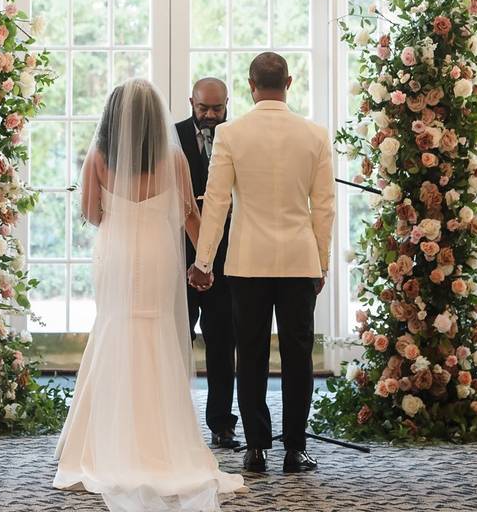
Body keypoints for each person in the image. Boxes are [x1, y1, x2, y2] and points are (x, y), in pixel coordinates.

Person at [53, 79, 245, 511]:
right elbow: (190, 218)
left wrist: (125, 217)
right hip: (161, 258)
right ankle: (162, 437)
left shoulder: (100, 157)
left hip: (118, 256)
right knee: (157, 333)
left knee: (114, 329)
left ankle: (104, 438)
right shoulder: (173, 160)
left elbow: (91, 214)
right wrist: (205, 265)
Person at [188, 52, 334, 474]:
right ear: (288, 82)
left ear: (250, 85)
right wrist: (321, 261)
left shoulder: (231, 134)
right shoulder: (315, 135)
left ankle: (255, 449)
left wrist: (203, 261)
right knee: (298, 357)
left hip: (247, 261)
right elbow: (323, 207)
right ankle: (295, 449)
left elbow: (215, 204)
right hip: (298, 260)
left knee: (248, 355)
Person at [174, 77, 239, 449]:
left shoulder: (239, 135)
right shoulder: (172, 137)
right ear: (191, 102)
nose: (211, 116)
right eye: (204, 108)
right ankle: (175, 423)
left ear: (228, 103)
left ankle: (221, 423)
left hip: (228, 257)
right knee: (176, 340)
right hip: (180, 255)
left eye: (218, 108)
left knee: (221, 343)